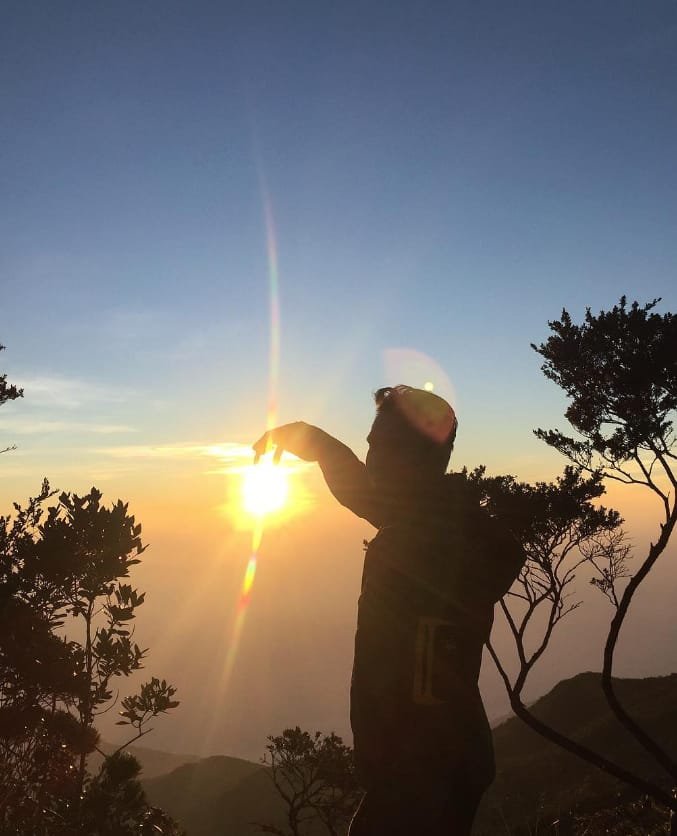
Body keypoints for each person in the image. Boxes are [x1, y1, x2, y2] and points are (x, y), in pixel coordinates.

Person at [253, 385, 525, 835]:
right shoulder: (434, 519)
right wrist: (317, 443)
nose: (369, 453)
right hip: (437, 761)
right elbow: (371, 496)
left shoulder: (432, 539)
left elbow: (424, 685)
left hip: (425, 770)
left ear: (411, 457)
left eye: (379, 445)